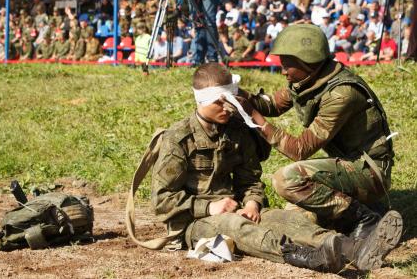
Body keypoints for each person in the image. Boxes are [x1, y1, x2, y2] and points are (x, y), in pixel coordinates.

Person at [143, 62, 403, 273]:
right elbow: (162, 201)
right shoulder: (178, 139)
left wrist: (253, 203)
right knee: (238, 228)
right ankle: (313, 258)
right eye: (218, 103)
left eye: (230, 101)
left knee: (286, 219)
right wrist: (210, 207)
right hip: (194, 222)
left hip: (239, 210)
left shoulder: (237, 131)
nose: (226, 108)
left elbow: (250, 180)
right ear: (200, 101)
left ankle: (350, 248)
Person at [236, 25, 400, 256]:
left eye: (286, 64)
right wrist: (240, 94)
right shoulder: (309, 79)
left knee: (287, 180)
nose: (283, 71)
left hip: (370, 172)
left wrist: (255, 118)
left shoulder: (341, 94)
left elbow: (300, 149)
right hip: (349, 165)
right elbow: (272, 104)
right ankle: (357, 212)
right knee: (297, 213)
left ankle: (366, 217)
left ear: (307, 62)